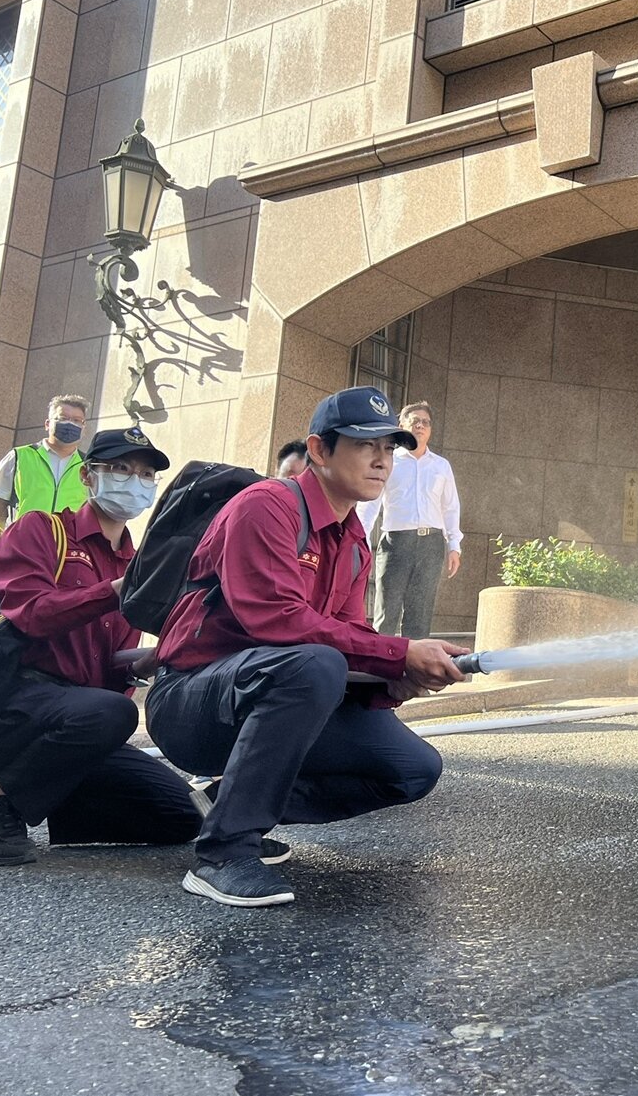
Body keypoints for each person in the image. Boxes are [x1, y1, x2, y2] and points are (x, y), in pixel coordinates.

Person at [147, 387, 467, 907]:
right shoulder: (266, 506)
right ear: (319, 451)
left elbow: (353, 644)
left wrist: (395, 678)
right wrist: (398, 650)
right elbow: (277, 620)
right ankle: (225, 852)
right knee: (313, 662)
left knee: (413, 768)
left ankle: (231, 801)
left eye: (390, 447)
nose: (383, 459)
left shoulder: (353, 540)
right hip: (190, 702)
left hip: (269, 688)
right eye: (367, 445)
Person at [0, 427, 202, 866]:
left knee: (183, 817)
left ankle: (55, 795)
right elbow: (29, 614)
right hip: (10, 705)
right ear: (87, 477)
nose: (133, 481)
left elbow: (102, 666)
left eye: (145, 474)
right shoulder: (41, 530)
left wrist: (142, 661)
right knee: (113, 711)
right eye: (120, 468)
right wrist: (114, 591)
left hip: (80, 722)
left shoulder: (138, 560)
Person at [358, 402, 462, 640]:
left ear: (430, 429)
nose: (420, 426)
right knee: (387, 611)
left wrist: (454, 546)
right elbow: (370, 503)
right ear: (401, 425)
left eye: (425, 422)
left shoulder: (441, 466)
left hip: (431, 544)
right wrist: (359, 539)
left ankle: (413, 672)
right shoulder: (390, 460)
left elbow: (450, 508)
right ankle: (377, 669)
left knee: (420, 614)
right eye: (414, 421)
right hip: (396, 543)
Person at [0, 394, 91, 522]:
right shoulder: (19, 456)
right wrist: (14, 535)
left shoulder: (89, 466)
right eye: (63, 418)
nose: (70, 424)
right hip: (26, 540)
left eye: (77, 420)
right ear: (47, 424)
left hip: (67, 541)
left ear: (84, 427)